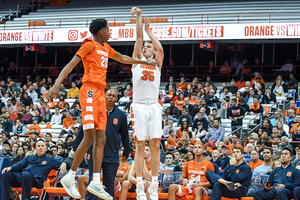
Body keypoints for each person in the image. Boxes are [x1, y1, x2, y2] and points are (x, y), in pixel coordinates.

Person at [46, 17, 154, 199]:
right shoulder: (89, 45)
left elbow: (122, 58)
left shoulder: (106, 48)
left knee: (101, 137)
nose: (110, 32)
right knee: (89, 137)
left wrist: (143, 62)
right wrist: (56, 85)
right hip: (88, 91)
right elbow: (71, 65)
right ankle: (70, 176)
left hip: (100, 93)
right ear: (101, 32)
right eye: (108, 30)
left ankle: (96, 180)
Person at [129, 7, 164, 200]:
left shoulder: (157, 62)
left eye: (148, 47)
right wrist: (140, 18)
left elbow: (160, 49)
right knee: (140, 145)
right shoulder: (136, 61)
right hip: (139, 105)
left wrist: (150, 31)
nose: (145, 48)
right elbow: (138, 39)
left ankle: (155, 186)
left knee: (156, 144)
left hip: (154, 105)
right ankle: (141, 185)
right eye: (145, 47)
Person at [75, 89, 130, 200]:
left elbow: (125, 134)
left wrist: (126, 151)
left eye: (113, 96)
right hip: (94, 154)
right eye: (108, 95)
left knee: (109, 185)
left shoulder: (121, 115)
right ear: (104, 96)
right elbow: (84, 129)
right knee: (92, 183)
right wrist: (76, 146)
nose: (110, 97)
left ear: (116, 99)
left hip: (112, 154)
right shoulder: (95, 112)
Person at [1, 139, 69, 200]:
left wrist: (64, 163)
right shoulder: (29, 157)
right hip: (22, 178)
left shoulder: (50, 160)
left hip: (36, 181)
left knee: (26, 174)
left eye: (42, 146)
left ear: (45, 148)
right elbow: (20, 164)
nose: (40, 147)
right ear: (36, 148)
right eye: (38, 146)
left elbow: (68, 165)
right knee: (6, 174)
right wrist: (11, 167)